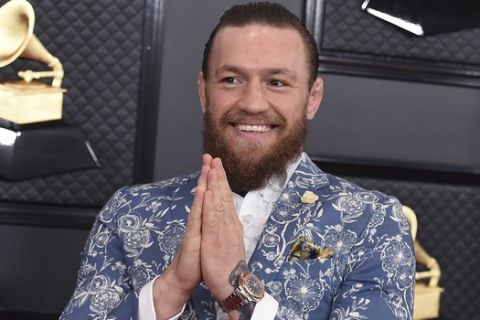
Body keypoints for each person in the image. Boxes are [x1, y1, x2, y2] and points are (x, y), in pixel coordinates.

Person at [60, 2, 415, 320]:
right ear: (204, 92)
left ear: (312, 98)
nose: (253, 103)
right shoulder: (128, 213)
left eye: (276, 82)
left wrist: (237, 289)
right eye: (232, 79)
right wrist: (169, 289)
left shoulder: (373, 223)